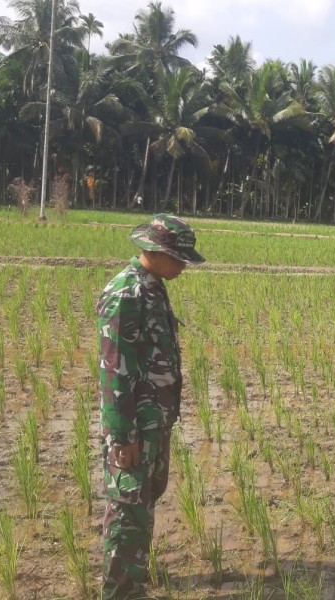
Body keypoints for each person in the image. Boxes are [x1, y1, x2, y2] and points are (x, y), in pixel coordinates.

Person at [97, 214, 204, 599]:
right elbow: (114, 372)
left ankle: (134, 571)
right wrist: (123, 437)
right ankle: (120, 591)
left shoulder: (153, 286)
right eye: (178, 257)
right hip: (133, 428)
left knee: (145, 497)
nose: (182, 266)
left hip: (154, 422)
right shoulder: (126, 294)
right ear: (154, 251)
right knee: (128, 509)